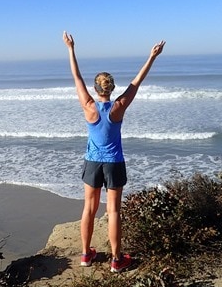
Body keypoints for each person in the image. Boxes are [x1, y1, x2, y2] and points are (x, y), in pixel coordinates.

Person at [63, 31, 166, 273]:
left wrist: (71, 49)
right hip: (114, 163)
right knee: (113, 211)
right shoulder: (118, 106)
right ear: (111, 88)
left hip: (92, 162)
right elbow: (136, 83)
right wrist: (152, 57)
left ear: (95, 88)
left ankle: (86, 255)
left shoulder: (89, 106)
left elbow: (76, 76)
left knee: (89, 208)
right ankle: (116, 259)